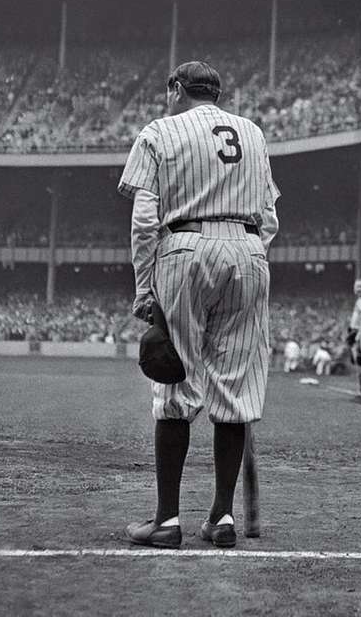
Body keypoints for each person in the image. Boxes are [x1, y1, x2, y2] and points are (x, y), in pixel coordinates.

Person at [119, 60, 280, 550]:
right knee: (235, 390)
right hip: (250, 251)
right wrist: (246, 253)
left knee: (175, 385)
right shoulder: (253, 133)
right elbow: (269, 216)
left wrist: (146, 286)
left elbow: (146, 219)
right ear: (217, 93)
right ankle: (222, 517)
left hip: (185, 247)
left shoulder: (159, 131)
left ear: (175, 89)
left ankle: (167, 521)